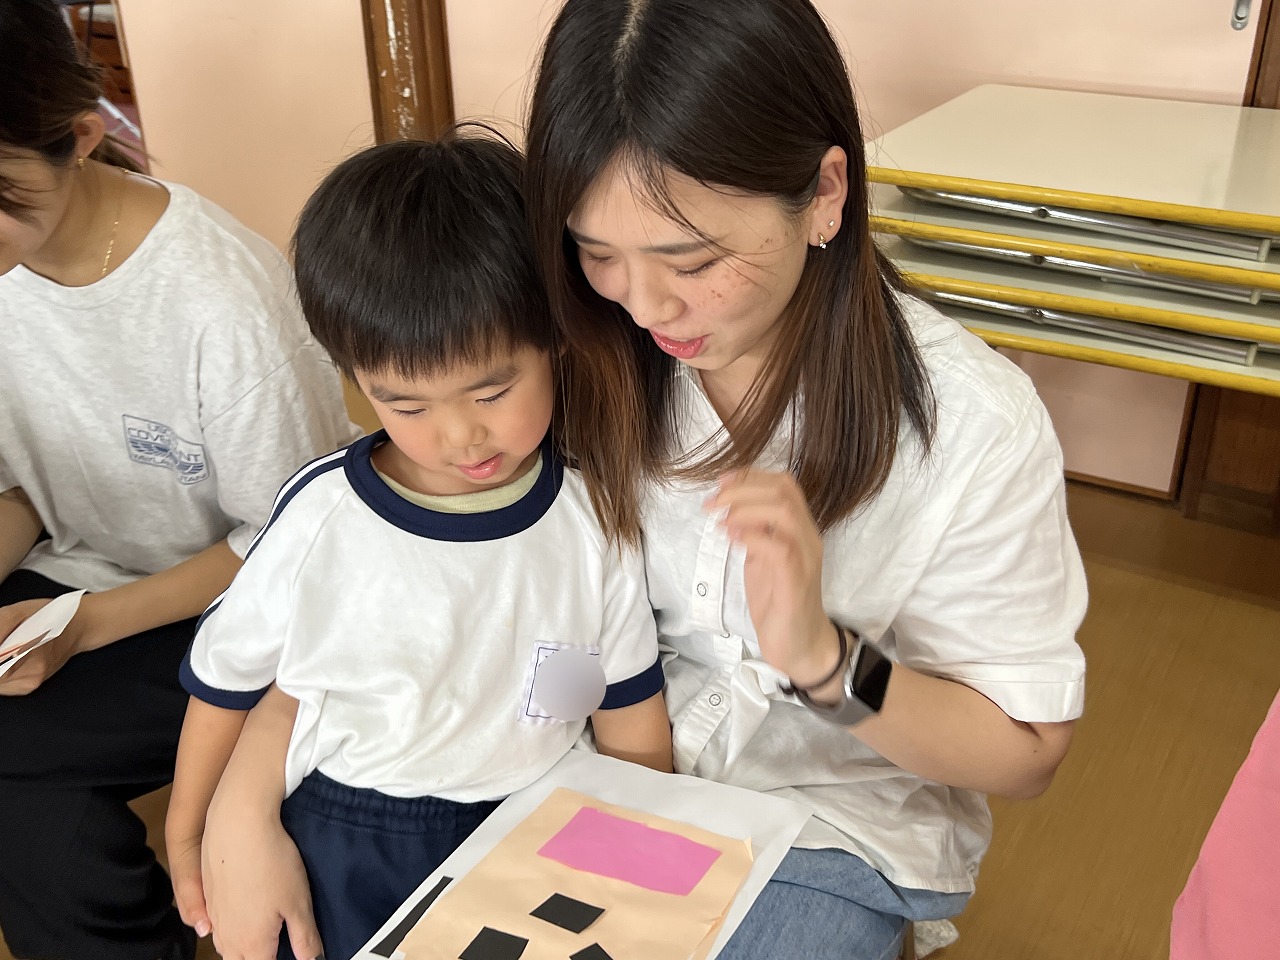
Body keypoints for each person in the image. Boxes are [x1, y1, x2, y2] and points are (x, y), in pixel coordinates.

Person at [521, 1, 1089, 957]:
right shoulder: (579, 346)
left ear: (826, 194)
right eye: (598, 251)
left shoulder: (971, 426)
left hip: (823, 820)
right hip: (592, 760)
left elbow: (1024, 751)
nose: (644, 304)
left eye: (692, 259)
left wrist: (826, 663)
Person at [167, 131, 673, 960]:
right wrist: (190, 835)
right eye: (406, 405)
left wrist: (644, 845)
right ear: (354, 380)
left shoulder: (591, 517)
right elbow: (226, 683)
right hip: (346, 826)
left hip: (530, 817)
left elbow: (618, 698)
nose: (460, 435)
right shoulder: (323, 517)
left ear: (554, 336)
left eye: (492, 391)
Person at [0, 2, 357, 959]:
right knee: (36, 816)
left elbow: (292, 541)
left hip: (241, 612)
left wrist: (83, 625)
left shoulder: (220, 302)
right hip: (76, 578)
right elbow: (23, 486)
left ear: (82, 138)